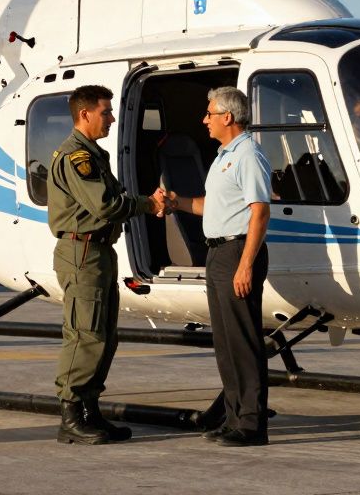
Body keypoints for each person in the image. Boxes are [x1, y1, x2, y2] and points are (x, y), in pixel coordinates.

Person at [47, 84, 167, 445]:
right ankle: (71, 415)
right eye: (106, 112)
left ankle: (90, 410)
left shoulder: (92, 154)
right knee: (86, 334)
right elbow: (107, 205)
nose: (112, 118)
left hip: (98, 251)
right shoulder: (76, 158)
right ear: (85, 114)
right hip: (82, 253)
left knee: (103, 337)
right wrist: (148, 204)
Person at [167, 86, 272, 447]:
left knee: (243, 340)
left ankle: (251, 423)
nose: (204, 119)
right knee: (225, 343)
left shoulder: (248, 156)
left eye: (209, 113)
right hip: (218, 253)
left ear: (227, 117)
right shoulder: (224, 155)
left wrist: (246, 266)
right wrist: (176, 202)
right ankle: (232, 417)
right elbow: (210, 207)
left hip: (237, 252)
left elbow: (260, 212)